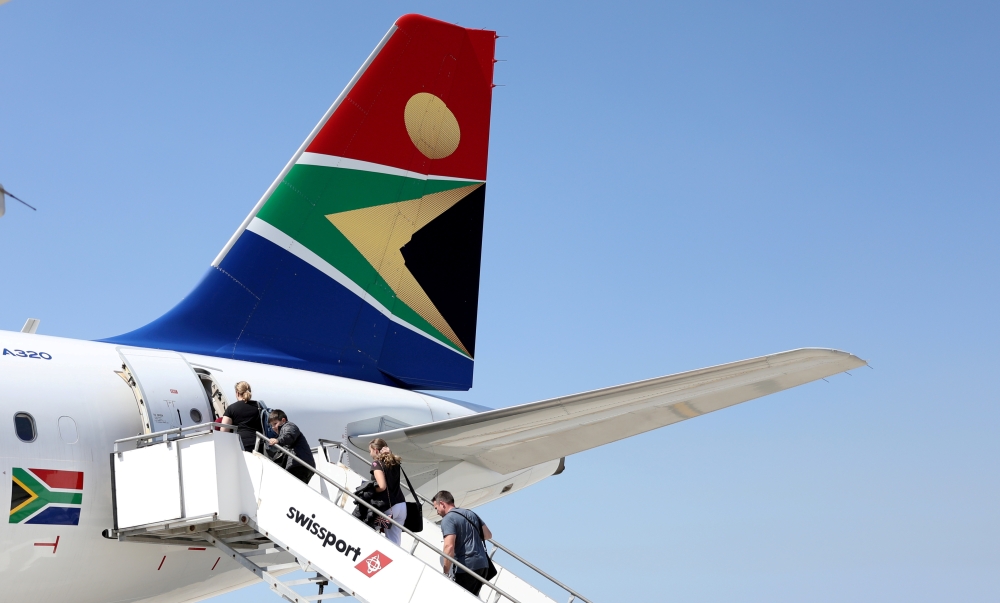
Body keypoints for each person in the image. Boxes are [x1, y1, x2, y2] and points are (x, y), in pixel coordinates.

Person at [432, 490, 493, 596]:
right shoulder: (470, 513)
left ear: (442, 504)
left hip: (467, 566)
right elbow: (488, 534)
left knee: (459, 597)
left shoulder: (448, 519)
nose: (437, 512)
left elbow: (449, 546)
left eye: (436, 508)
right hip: (483, 565)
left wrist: (446, 573)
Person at [368, 438, 406, 546]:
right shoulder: (394, 461)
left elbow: (382, 486)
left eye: (370, 451)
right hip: (401, 505)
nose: (370, 454)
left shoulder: (376, 464)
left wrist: (370, 489)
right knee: (395, 541)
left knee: (366, 528)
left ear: (376, 450)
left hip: (389, 507)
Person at [266, 409, 316, 484]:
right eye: (271, 425)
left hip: (299, 465)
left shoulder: (289, 426)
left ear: (283, 420)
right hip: (301, 464)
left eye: (275, 423)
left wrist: (278, 440)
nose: (273, 427)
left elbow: (289, 436)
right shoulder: (283, 432)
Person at [220, 381, 263, 452]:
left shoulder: (231, 408)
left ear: (237, 393)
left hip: (240, 444)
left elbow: (223, 431)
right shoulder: (258, 406)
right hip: (258, 444)